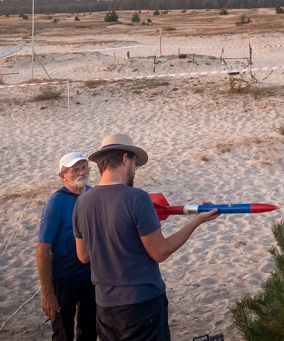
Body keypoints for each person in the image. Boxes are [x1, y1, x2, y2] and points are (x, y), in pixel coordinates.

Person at [73, 134, 219, 341]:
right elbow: (160, 252)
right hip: (141, 304)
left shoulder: (82, 202)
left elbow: (83, 255)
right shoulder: (136, 197)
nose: (135, 170)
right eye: (135, 164)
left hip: (104, 307)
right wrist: (196, 222)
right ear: (125, 159)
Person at [37, 152, 97, 341]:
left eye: (84, 167)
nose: (81, 172)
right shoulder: (56, 203)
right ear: (63, 176)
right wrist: (47, 294)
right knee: (63, 334)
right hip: (64, 278)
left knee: (89, 331)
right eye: (75, 170)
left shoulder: (94, 195)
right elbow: (42, 251)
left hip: (92, 276)